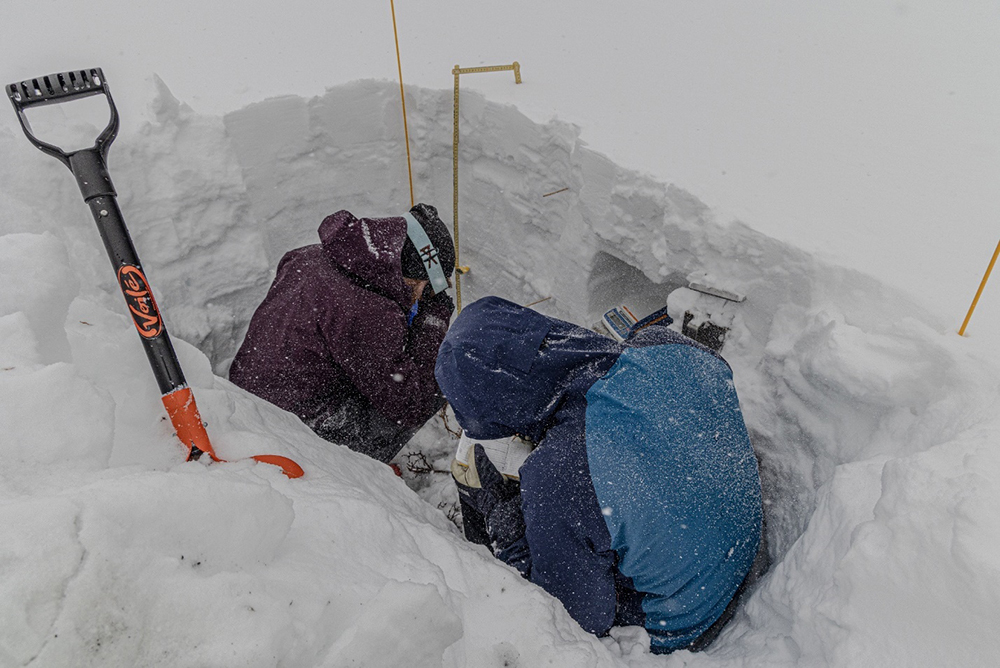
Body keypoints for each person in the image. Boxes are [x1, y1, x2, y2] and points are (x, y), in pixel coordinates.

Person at [434, 296, 768, 654]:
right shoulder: (662, 345)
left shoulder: (560, 477)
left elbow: (575, 619)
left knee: (541, 542)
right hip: (730, 546)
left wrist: (506, 523)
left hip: (678, 618)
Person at [230, 203, 455, 464]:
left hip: (247, 399)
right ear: (411, 274)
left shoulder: (307, 257)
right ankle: (358, 470)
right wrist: (433, 321)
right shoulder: (370, 311)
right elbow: (409, 404)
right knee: (430, 389)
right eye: (422, 289)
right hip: (289, 431)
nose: (420, 298)